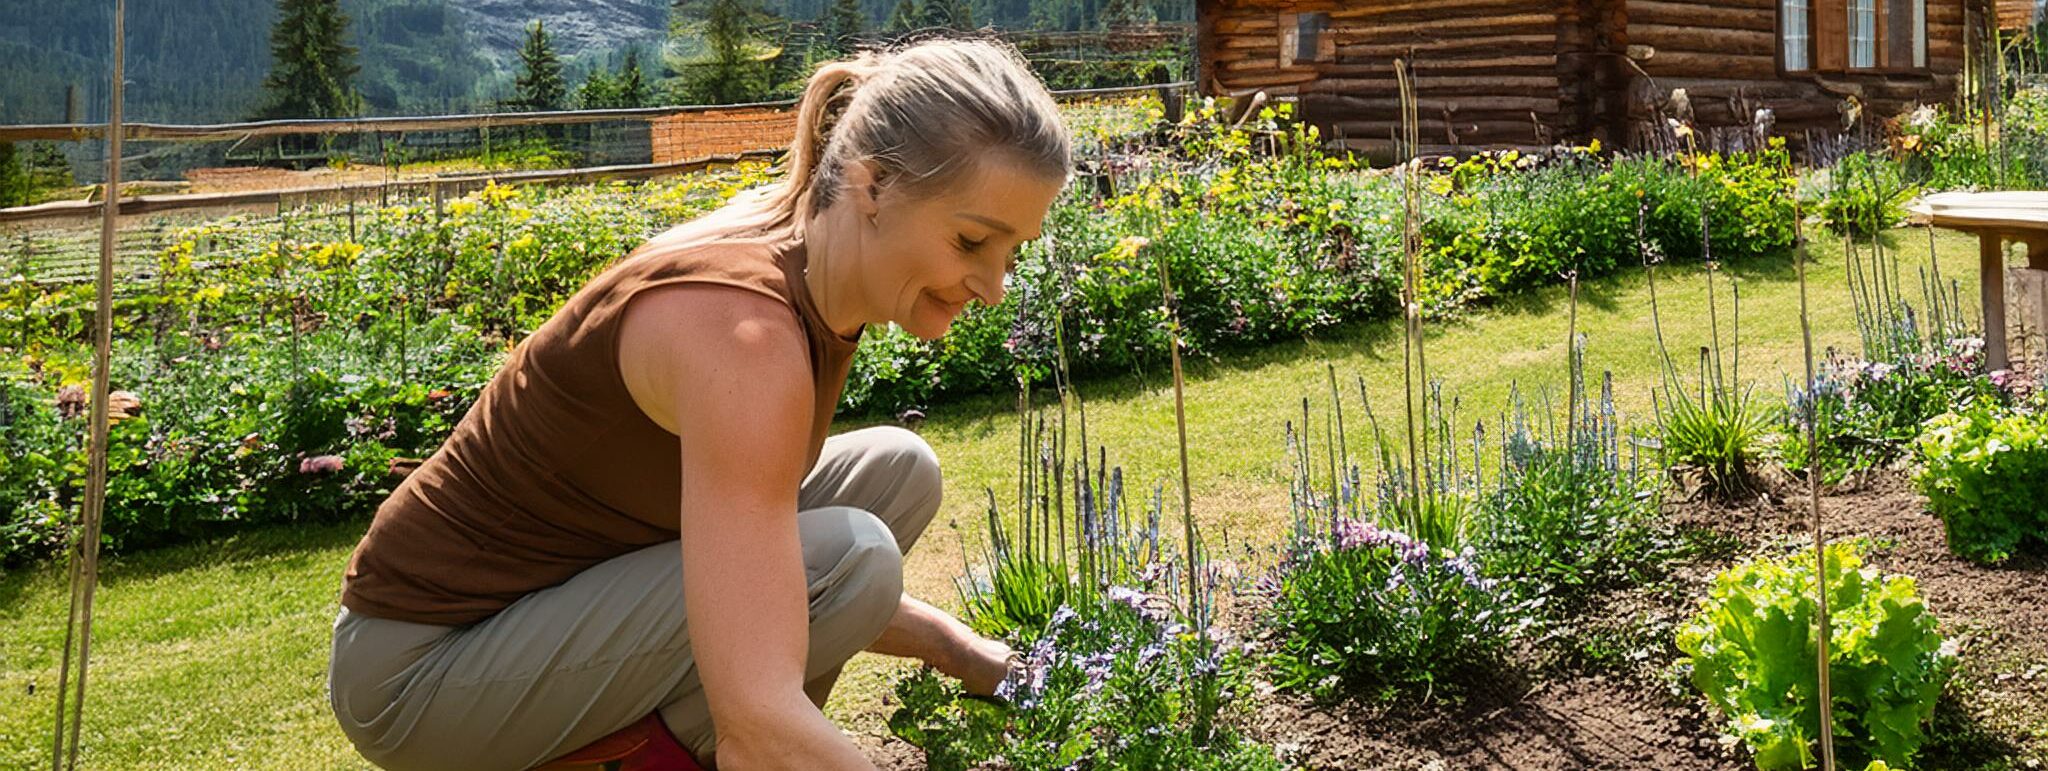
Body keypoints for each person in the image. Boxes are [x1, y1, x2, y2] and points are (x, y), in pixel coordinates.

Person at [326, 38, 1071, 771]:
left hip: (555, 605)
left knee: (897, 470)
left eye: (1011, 252)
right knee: (853, 558)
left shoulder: (804, 253)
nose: (994, 284)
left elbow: (754, 576)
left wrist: (958, 651)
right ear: (872, 185)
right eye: (972, 240)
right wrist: (766, 728)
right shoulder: (743, 336)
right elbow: (759, 716)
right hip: (423, 671)